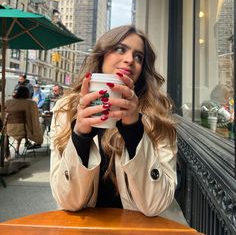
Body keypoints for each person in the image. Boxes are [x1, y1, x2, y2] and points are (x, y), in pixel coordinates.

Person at [50, 25, 177, 217]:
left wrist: (134, 128)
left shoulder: (157, 114)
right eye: (120, 49)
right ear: (102, 55)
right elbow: (68, 201)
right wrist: (80, 136)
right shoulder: (66, 109)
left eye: (138, 57)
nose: (129, 60)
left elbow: (155, 204)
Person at [6, 86, 43, 155]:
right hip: (24, 131)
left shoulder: (8, 102)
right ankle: (20, 147)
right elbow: (35, 119)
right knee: (25, 126)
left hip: (8, 130)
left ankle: (13, 151)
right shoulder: (31, 103)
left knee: (19, 126)